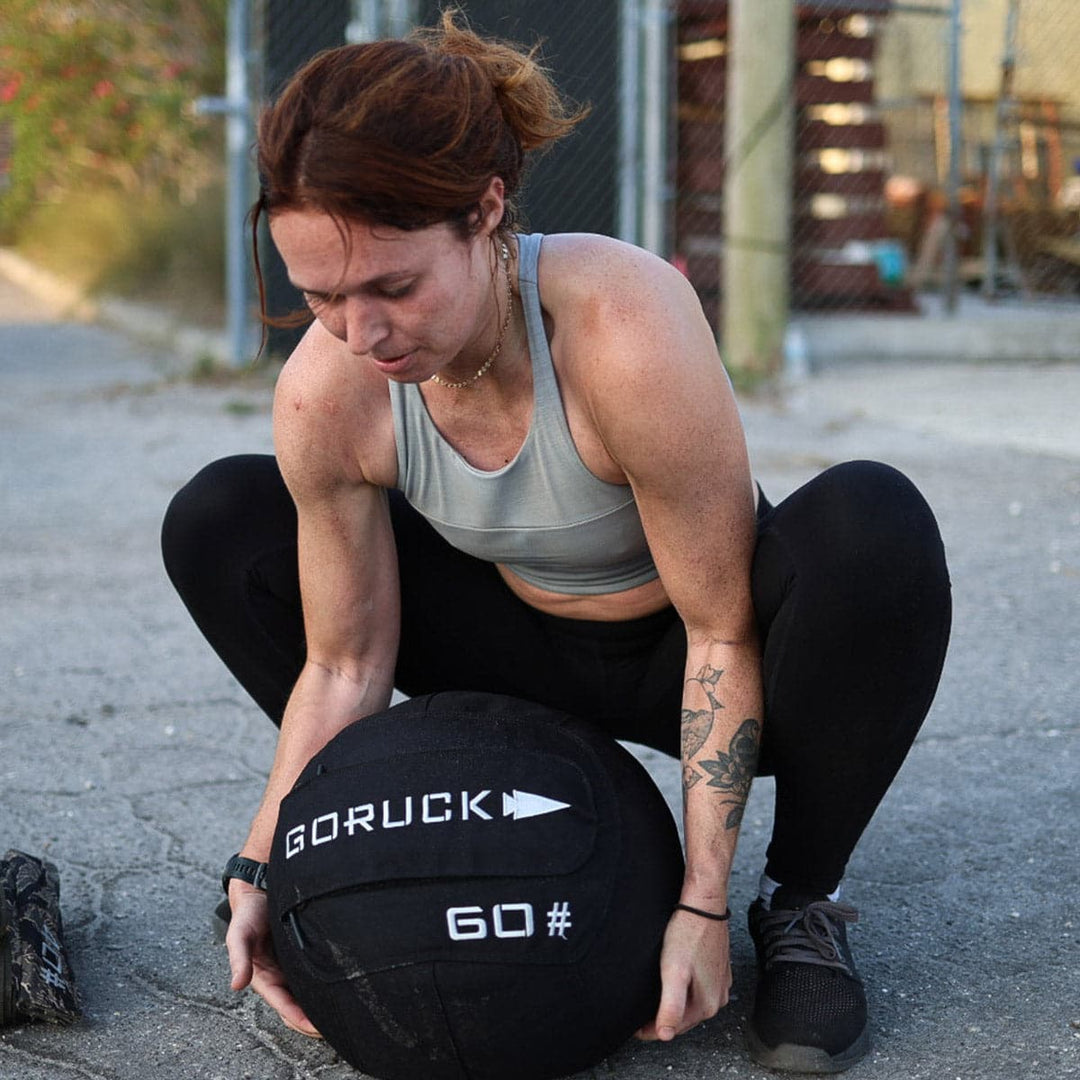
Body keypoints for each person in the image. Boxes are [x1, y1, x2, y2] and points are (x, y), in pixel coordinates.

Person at [161, 11, 951, 1074]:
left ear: (486, 211)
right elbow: (345, 661)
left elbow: (722, 629)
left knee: (873, 525)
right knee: (220, 518)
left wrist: (699, 907)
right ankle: (399, 824)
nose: (362, 334)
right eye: (319, 295)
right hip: (511, 657)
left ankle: (799, 901)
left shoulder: (624, 325)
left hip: (695, 644)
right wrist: (263, 863)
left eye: (394, 286)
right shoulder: (327, 388)